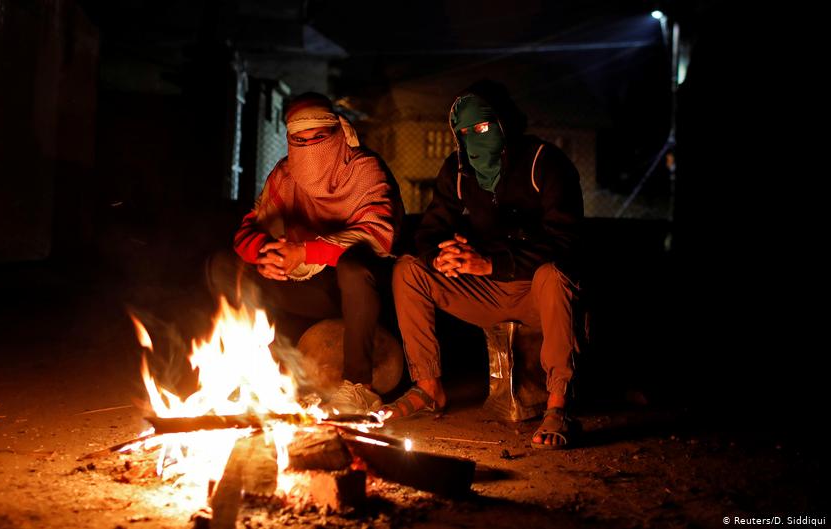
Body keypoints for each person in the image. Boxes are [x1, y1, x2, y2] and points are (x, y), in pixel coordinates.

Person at [382, 80, 584, 449]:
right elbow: (429, 232)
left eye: (483, 127)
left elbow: (565, 242)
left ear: (504, 122)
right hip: (486, 293)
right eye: (464, 131)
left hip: (538, 294)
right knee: (409, 270)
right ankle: (429, 388)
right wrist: (442, 256)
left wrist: (492, 263)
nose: (474, 138)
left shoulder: (545, 163)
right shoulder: (457, 170)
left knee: (553, 276)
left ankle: (559, 403)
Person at [207, 92, 403, 414]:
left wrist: (305, 252)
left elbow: (378, 234)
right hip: (308, 286)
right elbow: (248, 230)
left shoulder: (364, 169)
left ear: (338, 132)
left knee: (353, 268)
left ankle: (358, 387)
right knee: (225, 265)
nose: (309, 147)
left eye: (319, 137)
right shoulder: (286, 175)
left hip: (361, 288)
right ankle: (256, 375)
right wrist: (264, 254)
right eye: (300, 139)